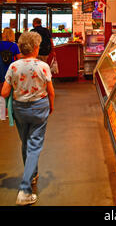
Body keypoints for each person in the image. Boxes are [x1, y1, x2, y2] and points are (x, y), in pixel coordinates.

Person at [1, 31, 55, 206]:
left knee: (26, 143)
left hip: (20, 110)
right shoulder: (43, 66)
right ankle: (25, 190)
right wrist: (51, 105)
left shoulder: (14, 67)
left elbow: (4, 92)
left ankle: (33, 174)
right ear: (36, 47)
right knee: (34, 145)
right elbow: (51, 91)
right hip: (39, 107)